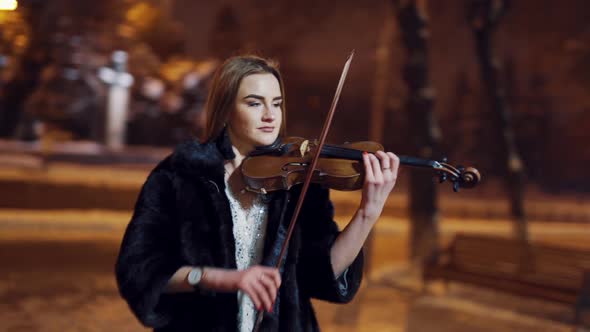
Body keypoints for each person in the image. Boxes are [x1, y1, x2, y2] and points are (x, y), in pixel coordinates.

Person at [115, 55, 400, 332]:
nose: (270, 115)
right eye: (254, 103)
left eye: (276, 104)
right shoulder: (179, 177)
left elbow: (320, 275)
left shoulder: (299, 180)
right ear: (226, 109)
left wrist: (367, 213)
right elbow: (139, 272)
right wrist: (222, 279)